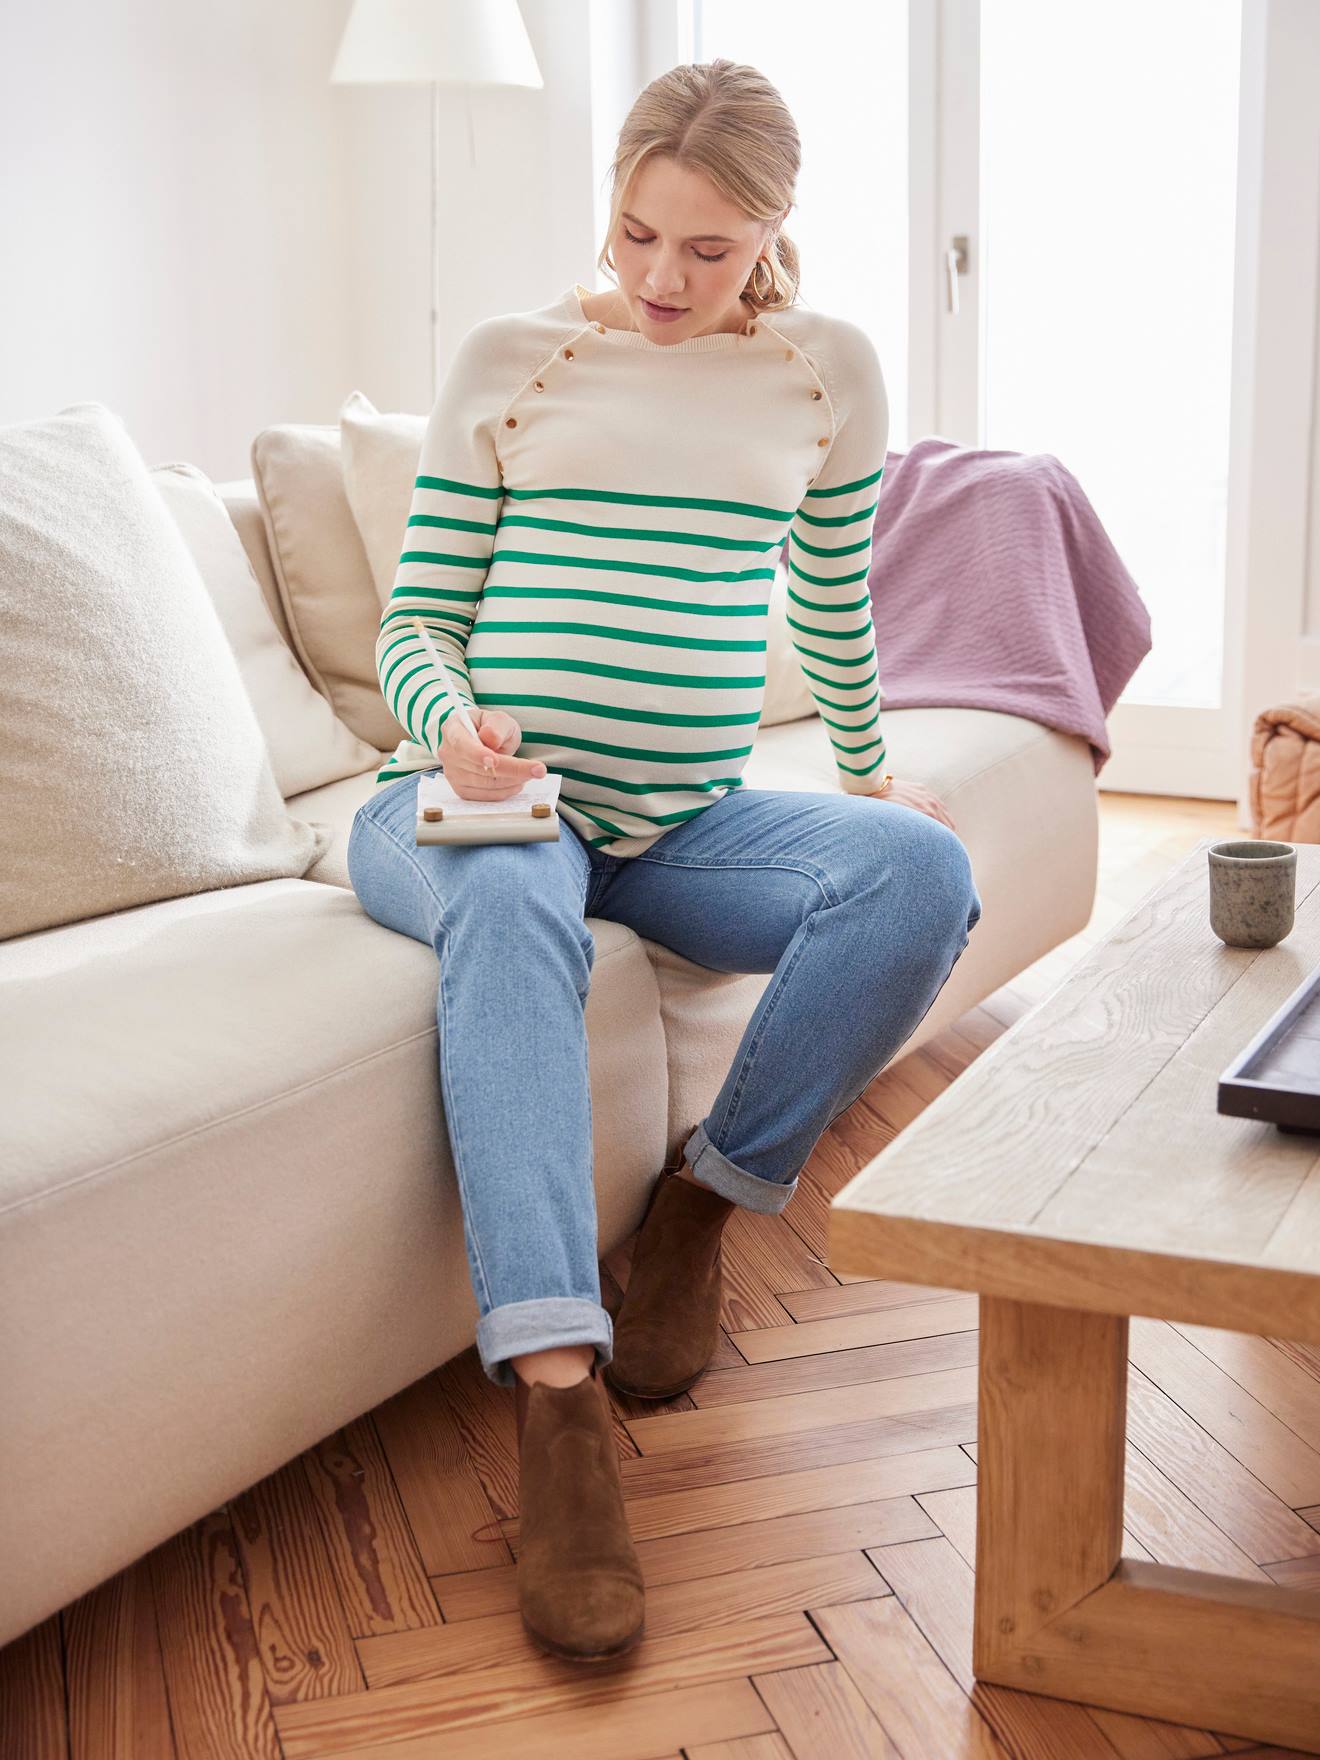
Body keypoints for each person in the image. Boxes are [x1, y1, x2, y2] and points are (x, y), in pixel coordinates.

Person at [346, 57, 982, 1664]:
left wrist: (872, 781)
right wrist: (455, 726)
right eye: (636, 235)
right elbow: (412, 623)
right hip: (473, 810)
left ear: (772, 228)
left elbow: (833, 610)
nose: (659, 279)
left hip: (685, 825)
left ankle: (704, 1206)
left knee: (916, 878)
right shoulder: (515, 360)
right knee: (507, 888)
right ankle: (561, 1413)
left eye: (706, 249)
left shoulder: (826, 373)